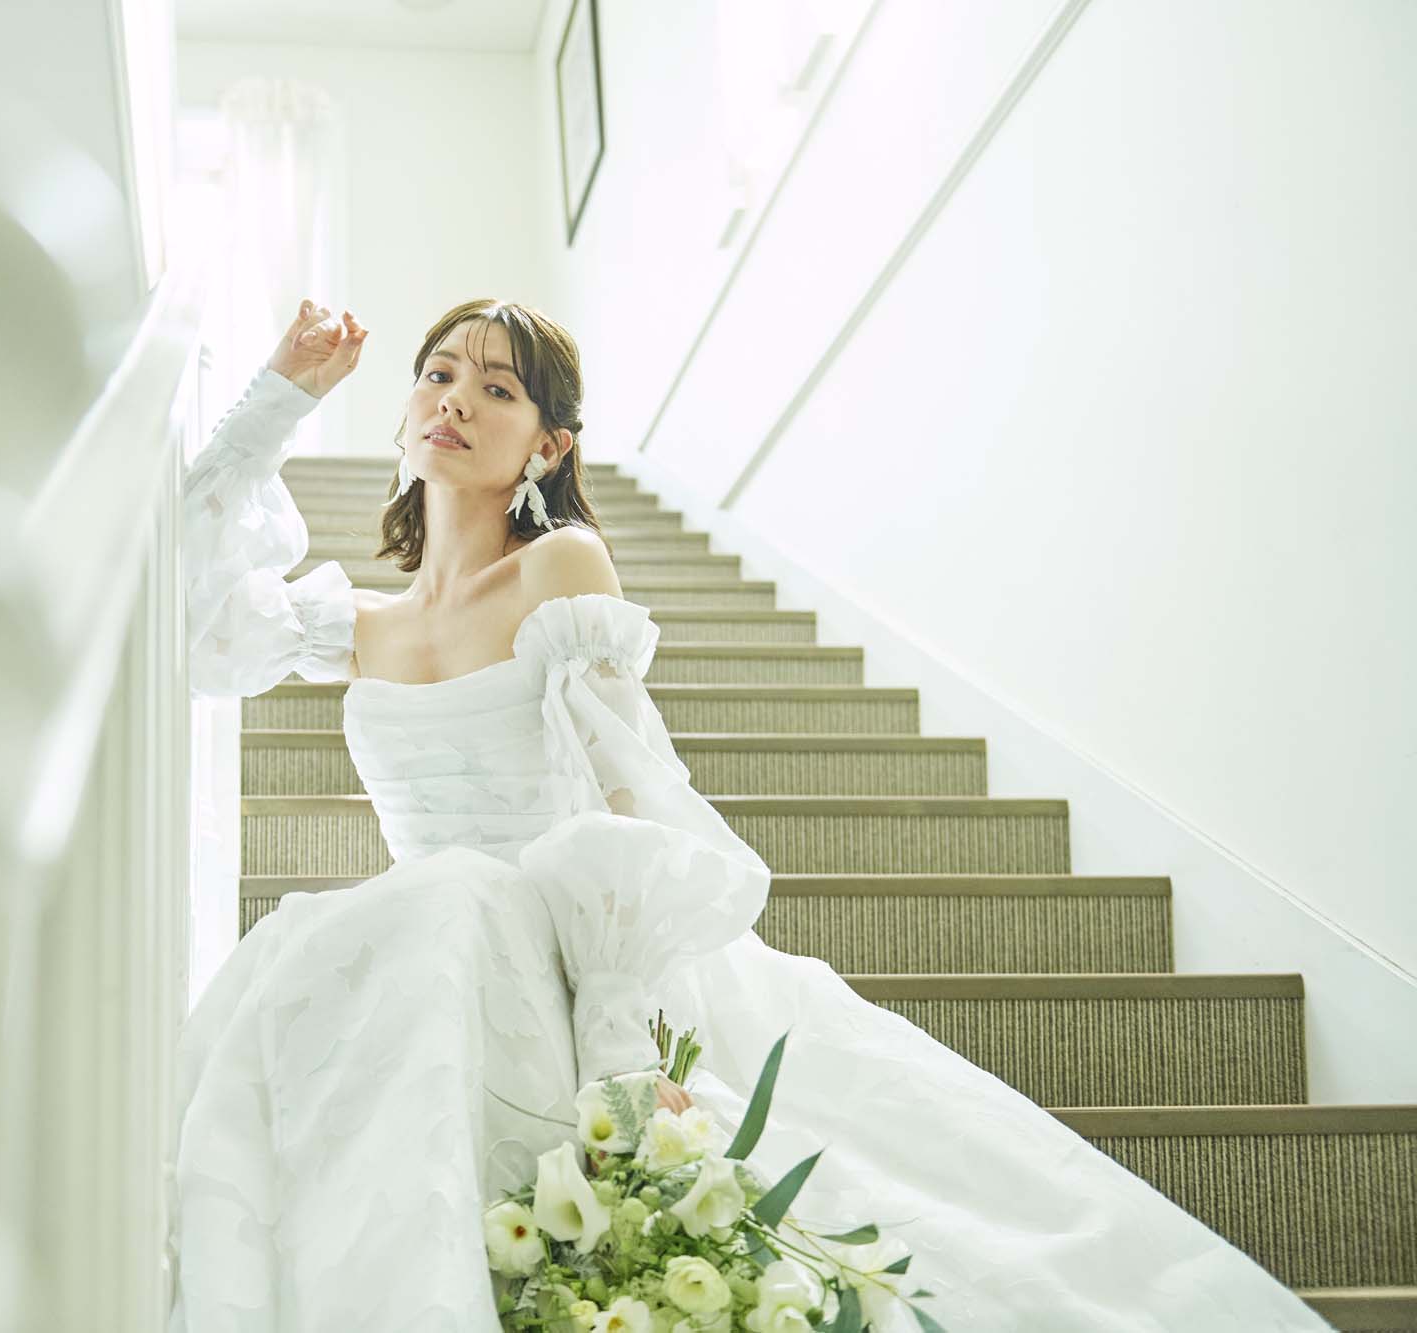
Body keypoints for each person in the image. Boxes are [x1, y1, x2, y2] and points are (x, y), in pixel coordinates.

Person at [165, 297, 1336, 1332]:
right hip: (440, 955)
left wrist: (625, 1025)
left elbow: (626, 796)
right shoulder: (355, 625)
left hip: (566, 945)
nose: (454, 399)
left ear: (549, 443)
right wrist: (276, 401)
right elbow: (197, 627)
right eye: (435, 374)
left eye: (497, 387)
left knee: (448, 907)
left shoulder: (559, 567)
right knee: (354, 934)